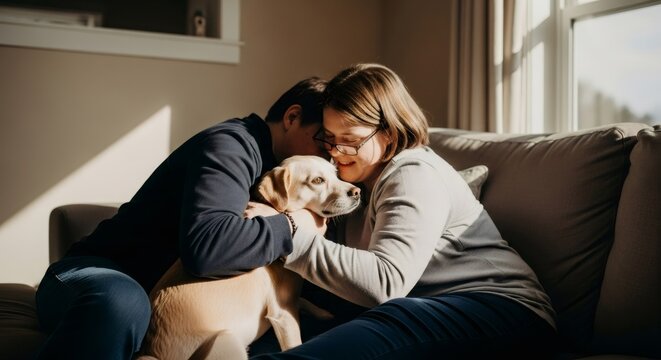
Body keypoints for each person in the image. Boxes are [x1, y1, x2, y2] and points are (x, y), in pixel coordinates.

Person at [250, 64, 557, 359]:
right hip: (422, 307)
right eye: (329, 138)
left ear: (391, 135)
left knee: (385, 317)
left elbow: (385, 283)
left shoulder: (413, 173)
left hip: (502, 311)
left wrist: (287, 233)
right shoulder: (350, 182)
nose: (335, 152)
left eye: (351, 141)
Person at [34, 77, 329, 360]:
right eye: (323, 141)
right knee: (123, 303)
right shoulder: (230, 147)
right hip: (95, 275)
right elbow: (207, 251)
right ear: (292, 117)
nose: (329, 156)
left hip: (172, 314)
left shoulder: (290, 180)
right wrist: (291, 226)